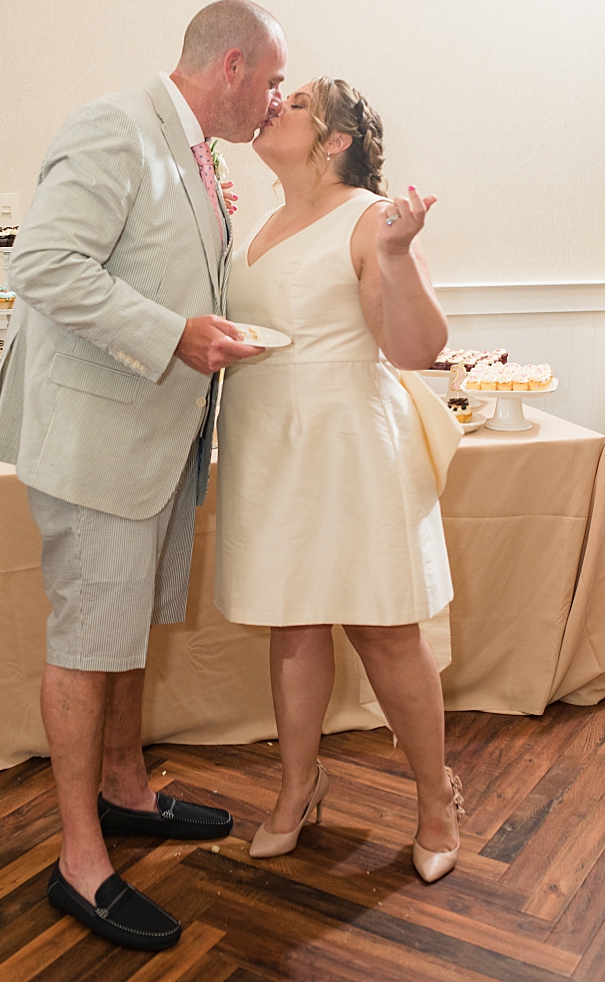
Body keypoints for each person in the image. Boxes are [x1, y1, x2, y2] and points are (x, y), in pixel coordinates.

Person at [0, 0, 284, 950]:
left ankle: (123, 786)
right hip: (98, 444)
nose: (275, 101)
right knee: (87, 638)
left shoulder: (196, 151)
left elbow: (150, 266)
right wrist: (176, 335)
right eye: (271, 81)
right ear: (230, 65)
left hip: (157, 441)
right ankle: (81, 861)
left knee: (123, 631)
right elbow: (44, 264)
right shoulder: (116, 126)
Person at [215, 78, 464, 882]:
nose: (271, 104)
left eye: (292, 104)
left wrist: (395, 255)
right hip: (267, 441)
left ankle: (435, 801)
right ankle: (298, 787)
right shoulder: (259, 222)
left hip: (349, 445)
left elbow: (417, 350)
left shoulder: (369, 218)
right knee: (293, 622)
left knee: (386, 630)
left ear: (334, 141)